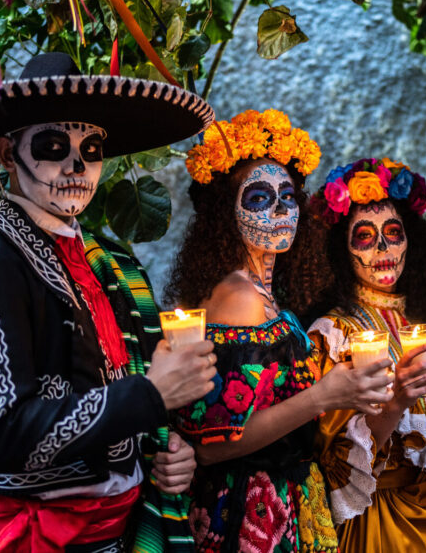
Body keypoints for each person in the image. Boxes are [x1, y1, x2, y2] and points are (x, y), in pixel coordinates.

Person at [0, 52, 219, 552]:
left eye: (91, 148)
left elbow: (115, 401)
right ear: (7, 153)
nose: (76, 165)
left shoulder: (104, 267)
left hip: (116, 536)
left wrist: (168, 453)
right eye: (52, 145)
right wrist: (149, 397)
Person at [166, 109, 394, 553]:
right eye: (258, 198)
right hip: (247, 512)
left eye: (288, 196)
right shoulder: (238, 298)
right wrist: (323, 396)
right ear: (224, 214)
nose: (280, 209)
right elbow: (212, 445)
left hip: (287, 501)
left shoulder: (266, 292)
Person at [306, 157, 426, 552]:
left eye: (394, 232)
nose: (383, 248)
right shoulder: (333, 335)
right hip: (384, 526)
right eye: (364, 236)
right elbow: (334, 460)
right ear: (342, 250)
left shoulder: (422, 325)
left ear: (412, 240)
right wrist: (396, 403)